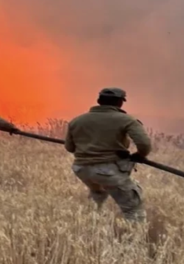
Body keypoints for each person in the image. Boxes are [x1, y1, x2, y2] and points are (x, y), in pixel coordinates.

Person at [64, 87, 152, 222]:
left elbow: (70, 148)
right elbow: (144, 144)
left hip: (81, 169)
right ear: (119, 102)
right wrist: (139, 155)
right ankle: (136, 240)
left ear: (99, 101)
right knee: (133, 209)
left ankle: (89, 228)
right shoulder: (126, 120)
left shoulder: (77, 121)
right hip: (109, 170)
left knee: (97, 196)